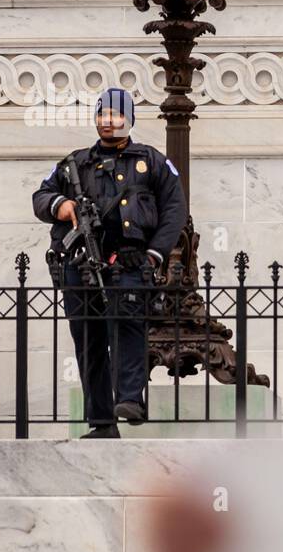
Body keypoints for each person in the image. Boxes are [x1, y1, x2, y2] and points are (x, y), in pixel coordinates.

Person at [32, 87, 187, 438]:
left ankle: (130, 399)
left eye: (116, 115)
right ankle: (102, 422)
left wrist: (154, 254)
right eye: (103, 115)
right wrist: (60, 205)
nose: (108, 122)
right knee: (89, 341)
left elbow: (175, 210)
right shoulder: (75, 163)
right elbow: (40, 196)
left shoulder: (152, 161)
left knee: (128, 327)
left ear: (128, 119)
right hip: (81, 263)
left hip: (130, 262)